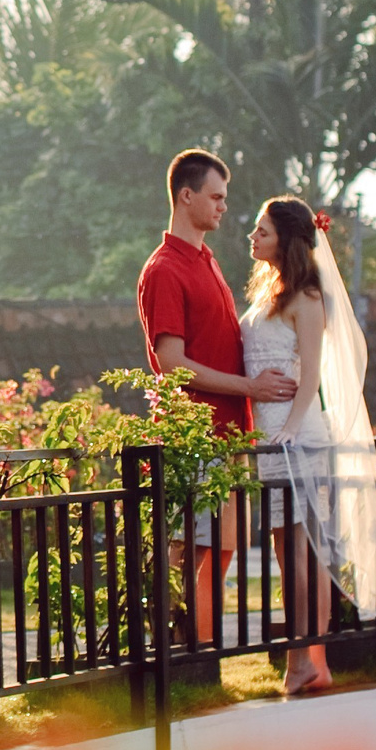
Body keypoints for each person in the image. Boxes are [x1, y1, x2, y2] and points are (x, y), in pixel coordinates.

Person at [241, 195, 376, 694]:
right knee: (291, 550)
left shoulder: (308, 297)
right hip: (274, 437)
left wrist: (290, 432)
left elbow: (312, 371)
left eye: (261, 231)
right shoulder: (271, 291)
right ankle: (315, 662)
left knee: (300, 553)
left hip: (297, 437)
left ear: (287, 240)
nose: (251, 238)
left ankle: (302, 660)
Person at [135, 148, 296, 643]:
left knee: (220, 549)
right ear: (186, 197)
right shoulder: (165, 269)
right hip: (193, 435)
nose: (225, 207)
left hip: (225, 435)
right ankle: (180, 657)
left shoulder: (207, 261)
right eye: (216, 196)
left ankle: (200, 654)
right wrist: (250, 387)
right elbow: (171, 363)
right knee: (188, 551)